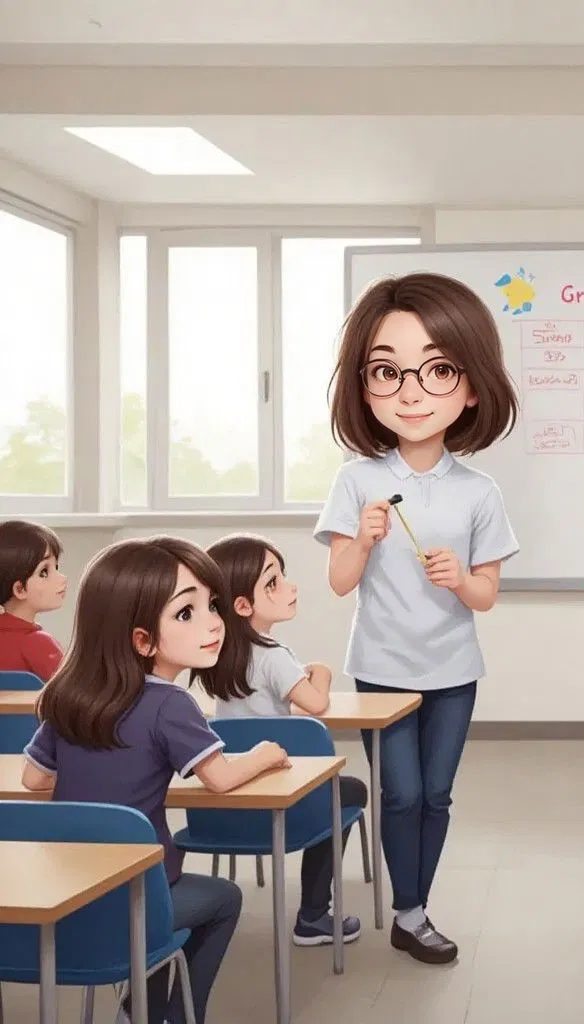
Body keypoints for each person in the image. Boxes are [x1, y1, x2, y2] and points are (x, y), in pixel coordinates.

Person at [314, 272, 519, 964]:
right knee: (399, 796)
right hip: (382, 666)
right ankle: (410, 911)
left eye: (436, 371)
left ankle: (415, 906)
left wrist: (461, 578)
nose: (409, 392)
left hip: (455, 670)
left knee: (437, 796)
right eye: (387, 372)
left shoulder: (478, 492)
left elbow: (487, 595)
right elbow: (340, 582)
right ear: (363, 387)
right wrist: (366, 539)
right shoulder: (357, 478)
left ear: (470, 388)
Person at [21, 537, 290, 1024]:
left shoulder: (67, 696)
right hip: (136, 895)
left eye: (212, 605)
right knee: (224, 901)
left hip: (64, 889)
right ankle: (173, 1015)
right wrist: (264, 754)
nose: (214, 622)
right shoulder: (170, 704)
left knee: (164, 912)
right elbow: (221, 779)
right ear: (142, 640)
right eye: (187, 614)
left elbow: (34, 778)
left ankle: (138, 1008)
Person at [197, 532, 366, 946]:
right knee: (350, 791)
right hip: (277, 800)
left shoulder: (216, 657)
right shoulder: (273, 656)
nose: (289, 587)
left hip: (225, 806)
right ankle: (312, 915)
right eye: (273, 582)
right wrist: (321, 671)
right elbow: (316, 704)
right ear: (243, 605)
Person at [0, 519, 68, 680]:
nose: (62, 578)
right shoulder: (40, 644)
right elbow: (71, 692)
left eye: (56, 567)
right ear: (20, 589)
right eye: (44, 572)